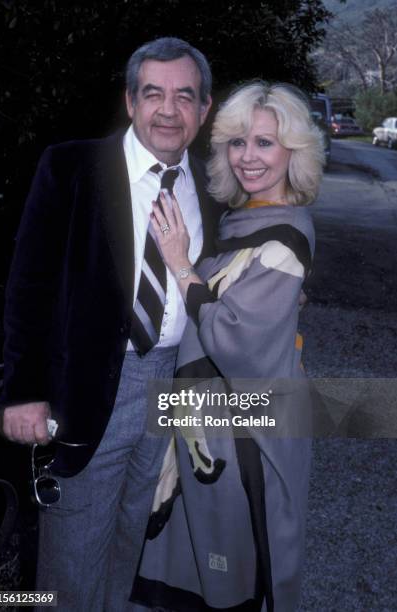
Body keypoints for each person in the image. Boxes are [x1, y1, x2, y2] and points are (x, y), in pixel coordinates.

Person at [0, 37, 219, 610]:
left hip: (172, 388)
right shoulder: (71, 166)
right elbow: (29, 286)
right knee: (71, 557)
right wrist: (23, 393)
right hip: (89, 386)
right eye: (153, 94)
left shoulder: (215, 192)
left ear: (205, 108)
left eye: (184, 96)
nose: (168, 110)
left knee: (132, 544)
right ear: (129, 101)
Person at [130, 82, 325, 611]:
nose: (248, 157)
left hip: (245, 433)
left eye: (265, 143)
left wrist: (182, 265)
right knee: (195, 553)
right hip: (210, 417)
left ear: (294, 151)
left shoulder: (285, 234)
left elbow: (236, 339)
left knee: (235, 555)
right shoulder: (245, 216)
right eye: (237, 142)